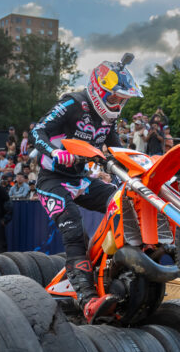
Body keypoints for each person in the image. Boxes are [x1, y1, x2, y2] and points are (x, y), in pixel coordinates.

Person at [31, 54, 142, 319]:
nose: (118, 105)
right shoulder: (72, 103)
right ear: (97, 90)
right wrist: (56, 152)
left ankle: (117, 269)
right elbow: (37, 131)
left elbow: (117, 152)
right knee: (73, 227)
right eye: (114, 98)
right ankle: (86, 298)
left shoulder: (107, 120)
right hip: (51, 180)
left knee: (123, 202)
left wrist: (135, 171)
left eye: (122, 100)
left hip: (81, 179)